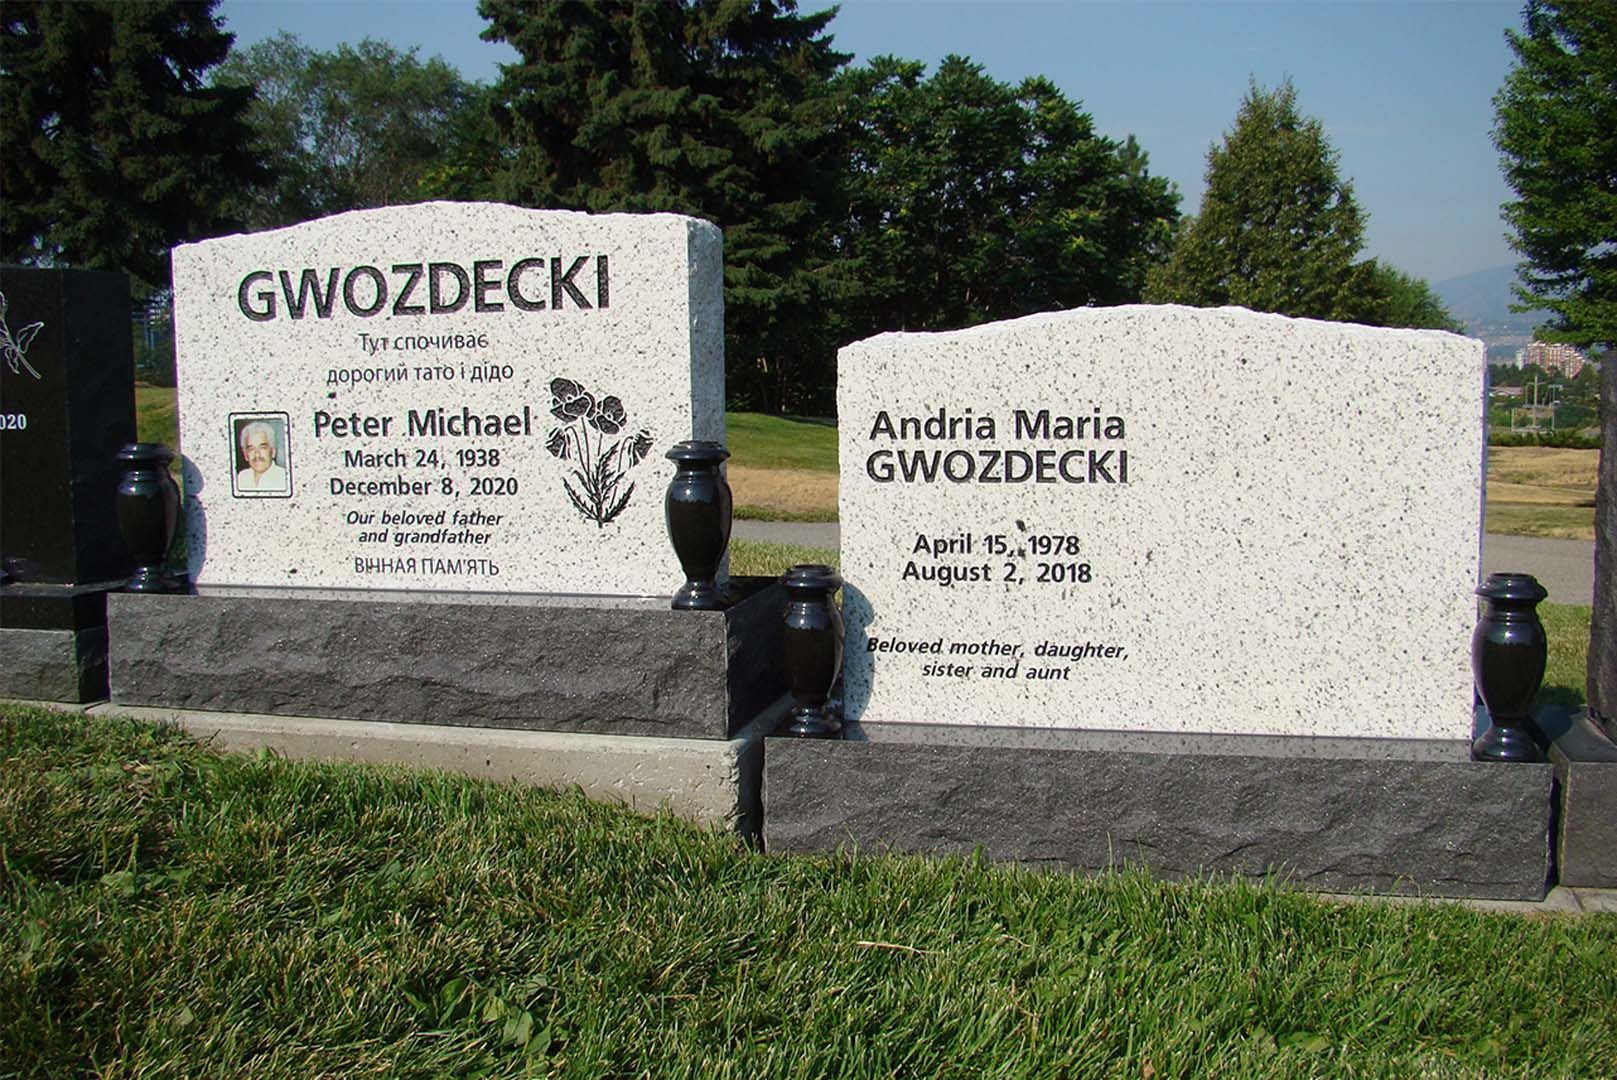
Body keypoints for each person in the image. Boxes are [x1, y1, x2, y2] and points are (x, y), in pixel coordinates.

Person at [236, 420, 289, 493]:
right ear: (245, 455)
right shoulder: (241, 478)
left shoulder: (285, 478)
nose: (257, 454)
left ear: (273, 451)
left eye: (262, 448)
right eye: (251, 449)